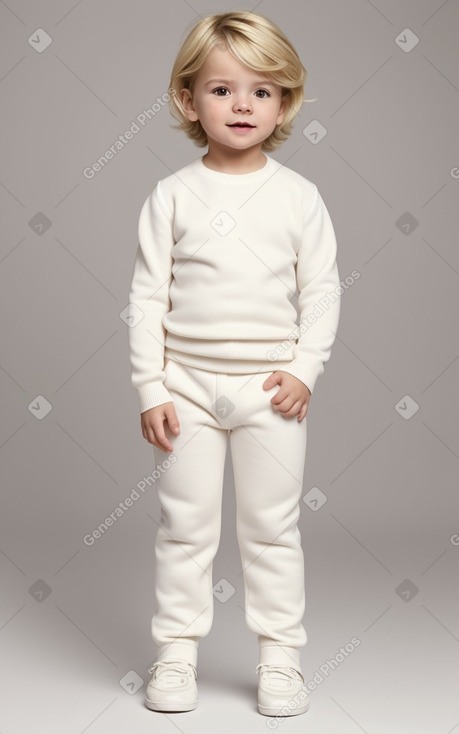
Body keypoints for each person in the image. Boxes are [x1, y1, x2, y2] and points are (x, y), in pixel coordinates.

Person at [128, 9, 341, 718]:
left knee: (272, 528)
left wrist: (305, 368)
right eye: (221, 90)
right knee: (184, 527)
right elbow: (145, 297)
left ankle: (279, 659)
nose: (241, 104)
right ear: (188, 101)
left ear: (285, 102)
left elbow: (321, 291)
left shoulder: (298, 198)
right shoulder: (171, 197)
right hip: (185, 390)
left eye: (260, 90)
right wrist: (149, 386)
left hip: (269, 394)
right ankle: (177, 654)